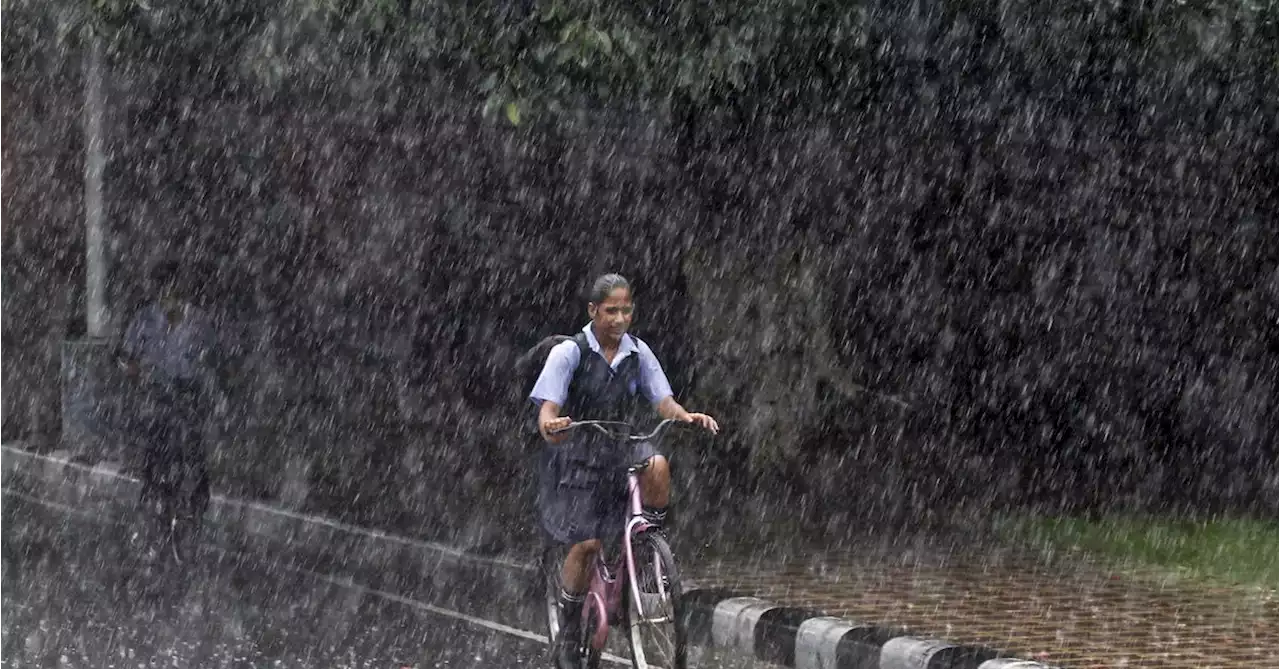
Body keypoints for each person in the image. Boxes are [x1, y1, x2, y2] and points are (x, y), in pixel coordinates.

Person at [529, 273, 719, 669]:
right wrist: (552, 423)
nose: (619, 318)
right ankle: (567, 631)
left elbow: (662, 400)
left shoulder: (638, 353)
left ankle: (648, 544)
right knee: (587, 545)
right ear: (593, 311)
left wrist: (686, 416)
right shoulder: (570, 353)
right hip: (580, 449)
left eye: (625, 310)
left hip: (622, 443)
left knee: (658, 464)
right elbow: (548, 407)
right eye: (610, 310)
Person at [116, 260, 222, 562]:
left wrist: (207, 397)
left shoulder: (199, 324)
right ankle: (156, 518)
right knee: (155, 464)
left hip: (189, 402)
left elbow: (213, 365)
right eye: (163, 293)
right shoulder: (144, 320)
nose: (168, 299)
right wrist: (135, 372)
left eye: (173, 292)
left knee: (195, 463)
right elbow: (125, 358)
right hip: (156, 401)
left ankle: (193, 515)